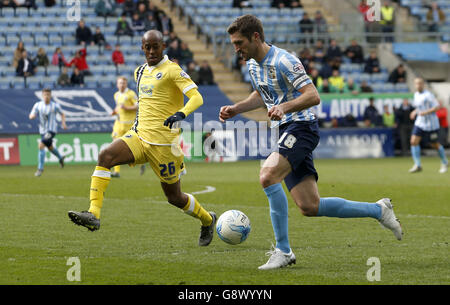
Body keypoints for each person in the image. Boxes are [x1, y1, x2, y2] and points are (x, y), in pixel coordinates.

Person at [221, 15, 402, 270]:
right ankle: (379, 210)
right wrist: (237, 108)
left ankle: (283, 251)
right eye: (233, 44)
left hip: (302, 127)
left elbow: (313, 95)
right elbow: (264, 95)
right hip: (285, 129)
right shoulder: (252, 65)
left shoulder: (285, 60)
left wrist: (284, 107)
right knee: (309, 206)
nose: (236, 48)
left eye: (239, 43)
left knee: (268, 175)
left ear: (256, 37)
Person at [68, 30, 217, 248]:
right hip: (138, 137)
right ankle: (94, 214)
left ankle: (207, 219)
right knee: (105, 156)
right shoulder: (139, 72)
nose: (152, 51)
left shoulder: (172, 70)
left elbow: (197, 97)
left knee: (174, 198)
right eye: (147, 47)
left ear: (163, 46)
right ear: (142, 48)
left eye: (155, 46)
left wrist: (181, 113)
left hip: (165, 145)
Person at [409, 78, 448, 173]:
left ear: (423, 85)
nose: (418, 85)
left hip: (431, 124)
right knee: (413, 141)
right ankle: (417, 165)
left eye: (420, 83)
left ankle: (444, 162)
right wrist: (415, 112)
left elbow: (436, 107)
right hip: (420, 122)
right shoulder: (416, 95)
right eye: (417, 84)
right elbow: (419, 108)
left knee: (434, 144)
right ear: (415, 85)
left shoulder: (428, 95)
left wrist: (425, 112)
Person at [29, 88, 67, 177]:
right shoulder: (38, 105)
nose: (46, 96)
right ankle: (61, 158)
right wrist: (32, 116)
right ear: (42, 95)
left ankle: (40, 169)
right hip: (42, 130)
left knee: (41, 145)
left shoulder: (55, 106)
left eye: (48, 95)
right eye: (45, 94)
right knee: (50, 147)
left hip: (52, 129)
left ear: (51, 95)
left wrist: (63, 123)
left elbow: (62, 114)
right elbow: (31, 114)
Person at [109, 76, 139, 177]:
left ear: (126, 84)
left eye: (123, 83)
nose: (121, 85)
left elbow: (137, 106)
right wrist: (115, 111)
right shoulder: (116, 95)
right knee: (114, 146)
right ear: (117, 84)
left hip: (129, 124)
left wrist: (127, 108)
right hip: (119, 124)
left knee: (132, 148)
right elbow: (118, 107)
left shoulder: (131, 94)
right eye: (120, 83)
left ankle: (141, 162)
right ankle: (116, 171)